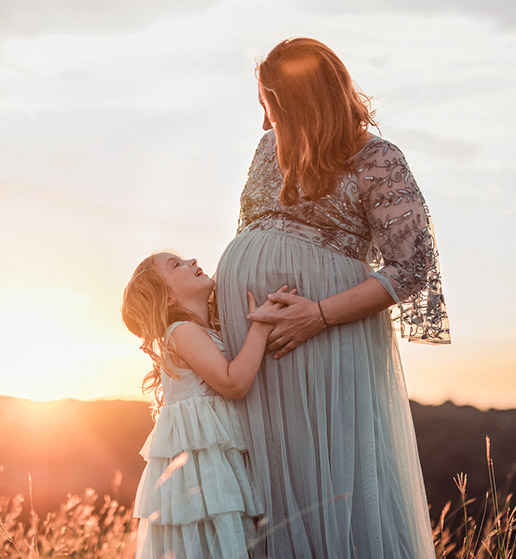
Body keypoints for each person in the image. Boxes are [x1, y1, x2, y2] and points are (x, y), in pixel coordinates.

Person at [214, 37, 451, 558]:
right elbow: (247, 234)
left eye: (270, 107)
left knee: (325, 476)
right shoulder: (265, 150)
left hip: (324, 341)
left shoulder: (377, 159)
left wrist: (319, 314)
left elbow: (412, 267)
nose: (263, 123)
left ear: (302, 103)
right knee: (265, 480)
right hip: (254, 348)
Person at [122, 252, 287, 559]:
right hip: (204, 474)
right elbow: (233, 382)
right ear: (168, 298)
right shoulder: (181, 331)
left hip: (219, 466)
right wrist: (261, 327)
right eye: (177, 265)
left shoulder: (204, 329)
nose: (192, 261)